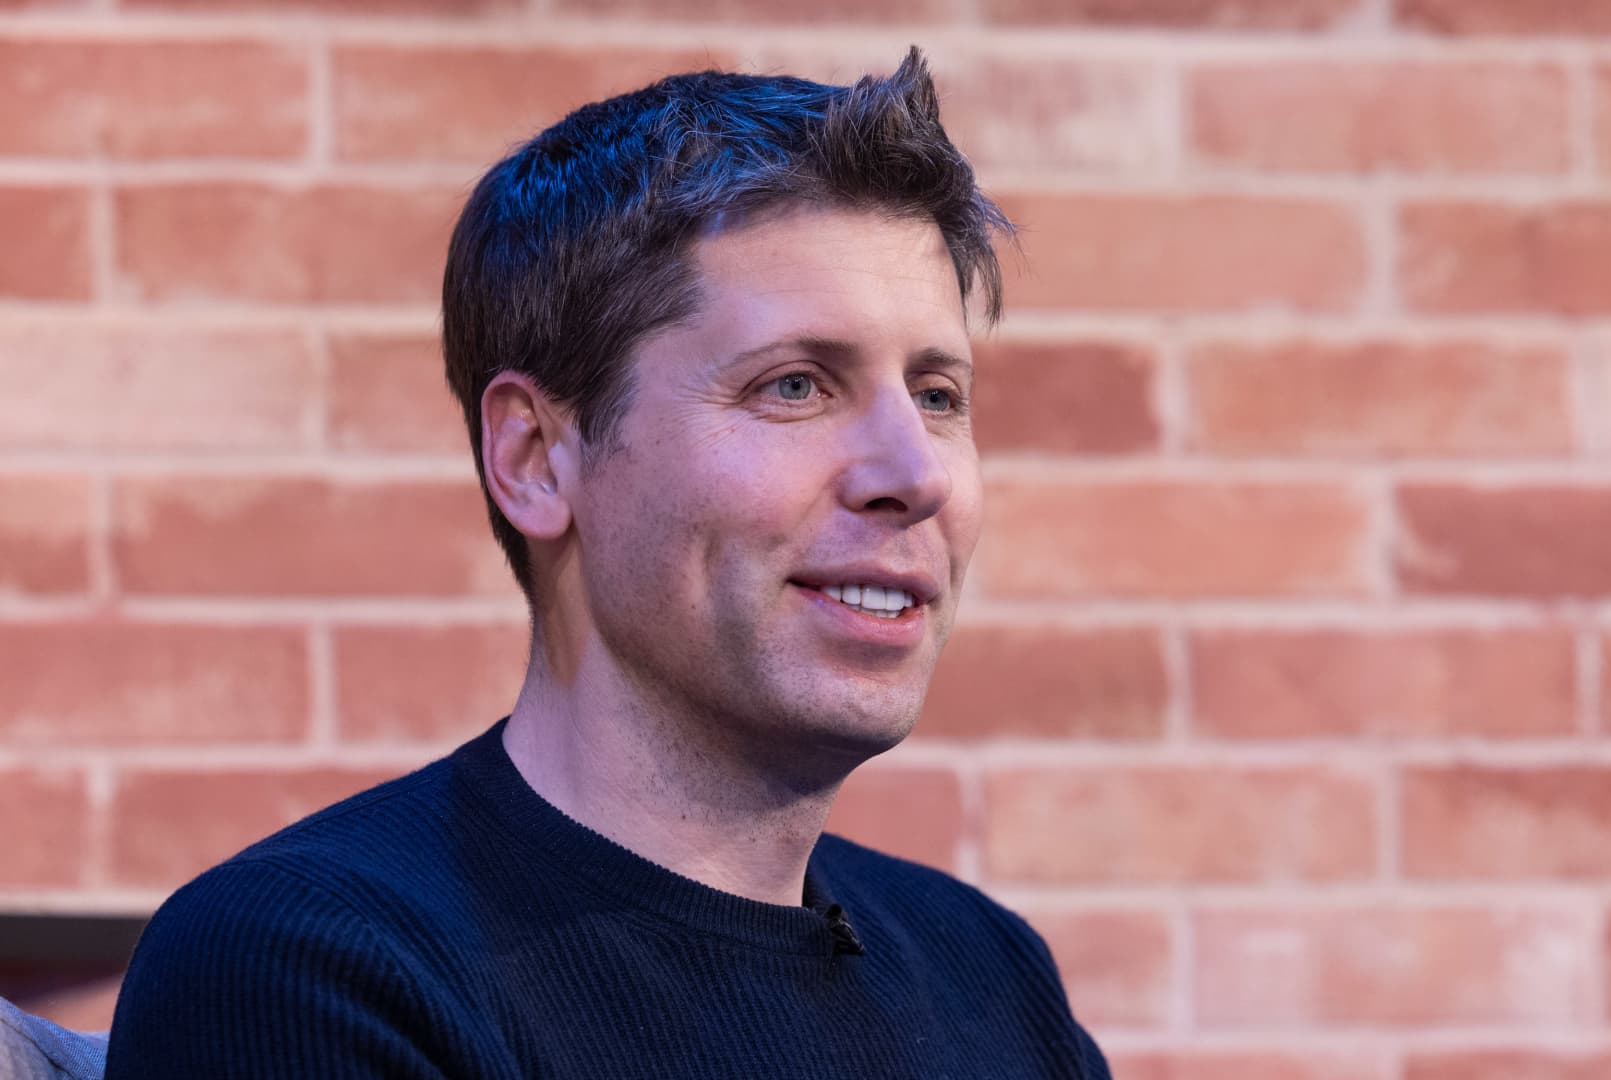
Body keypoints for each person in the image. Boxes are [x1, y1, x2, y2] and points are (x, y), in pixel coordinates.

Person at [104, 48, 1110, 1079]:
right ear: (537, 459)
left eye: (938, 396)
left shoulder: (990, 976)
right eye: (797, 386)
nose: (915, 474)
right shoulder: (313, 967)